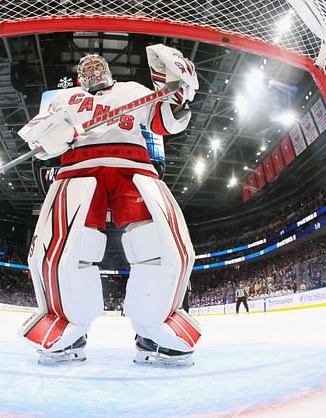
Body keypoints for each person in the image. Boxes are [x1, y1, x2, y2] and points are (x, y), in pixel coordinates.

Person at [18, 45, 201, 367]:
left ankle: (154, 330)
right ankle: (69, 329)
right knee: (65, 249)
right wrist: (55, 134)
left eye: (97, 65)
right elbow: (36, 139)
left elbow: (165, 124)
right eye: (86, 68)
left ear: (109, 70)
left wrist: (176, 91)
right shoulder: (64, 98)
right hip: (78, 167)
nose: (92, 70)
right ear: (78, 76)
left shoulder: (133, 91)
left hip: (133, 166)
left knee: (159, 245)